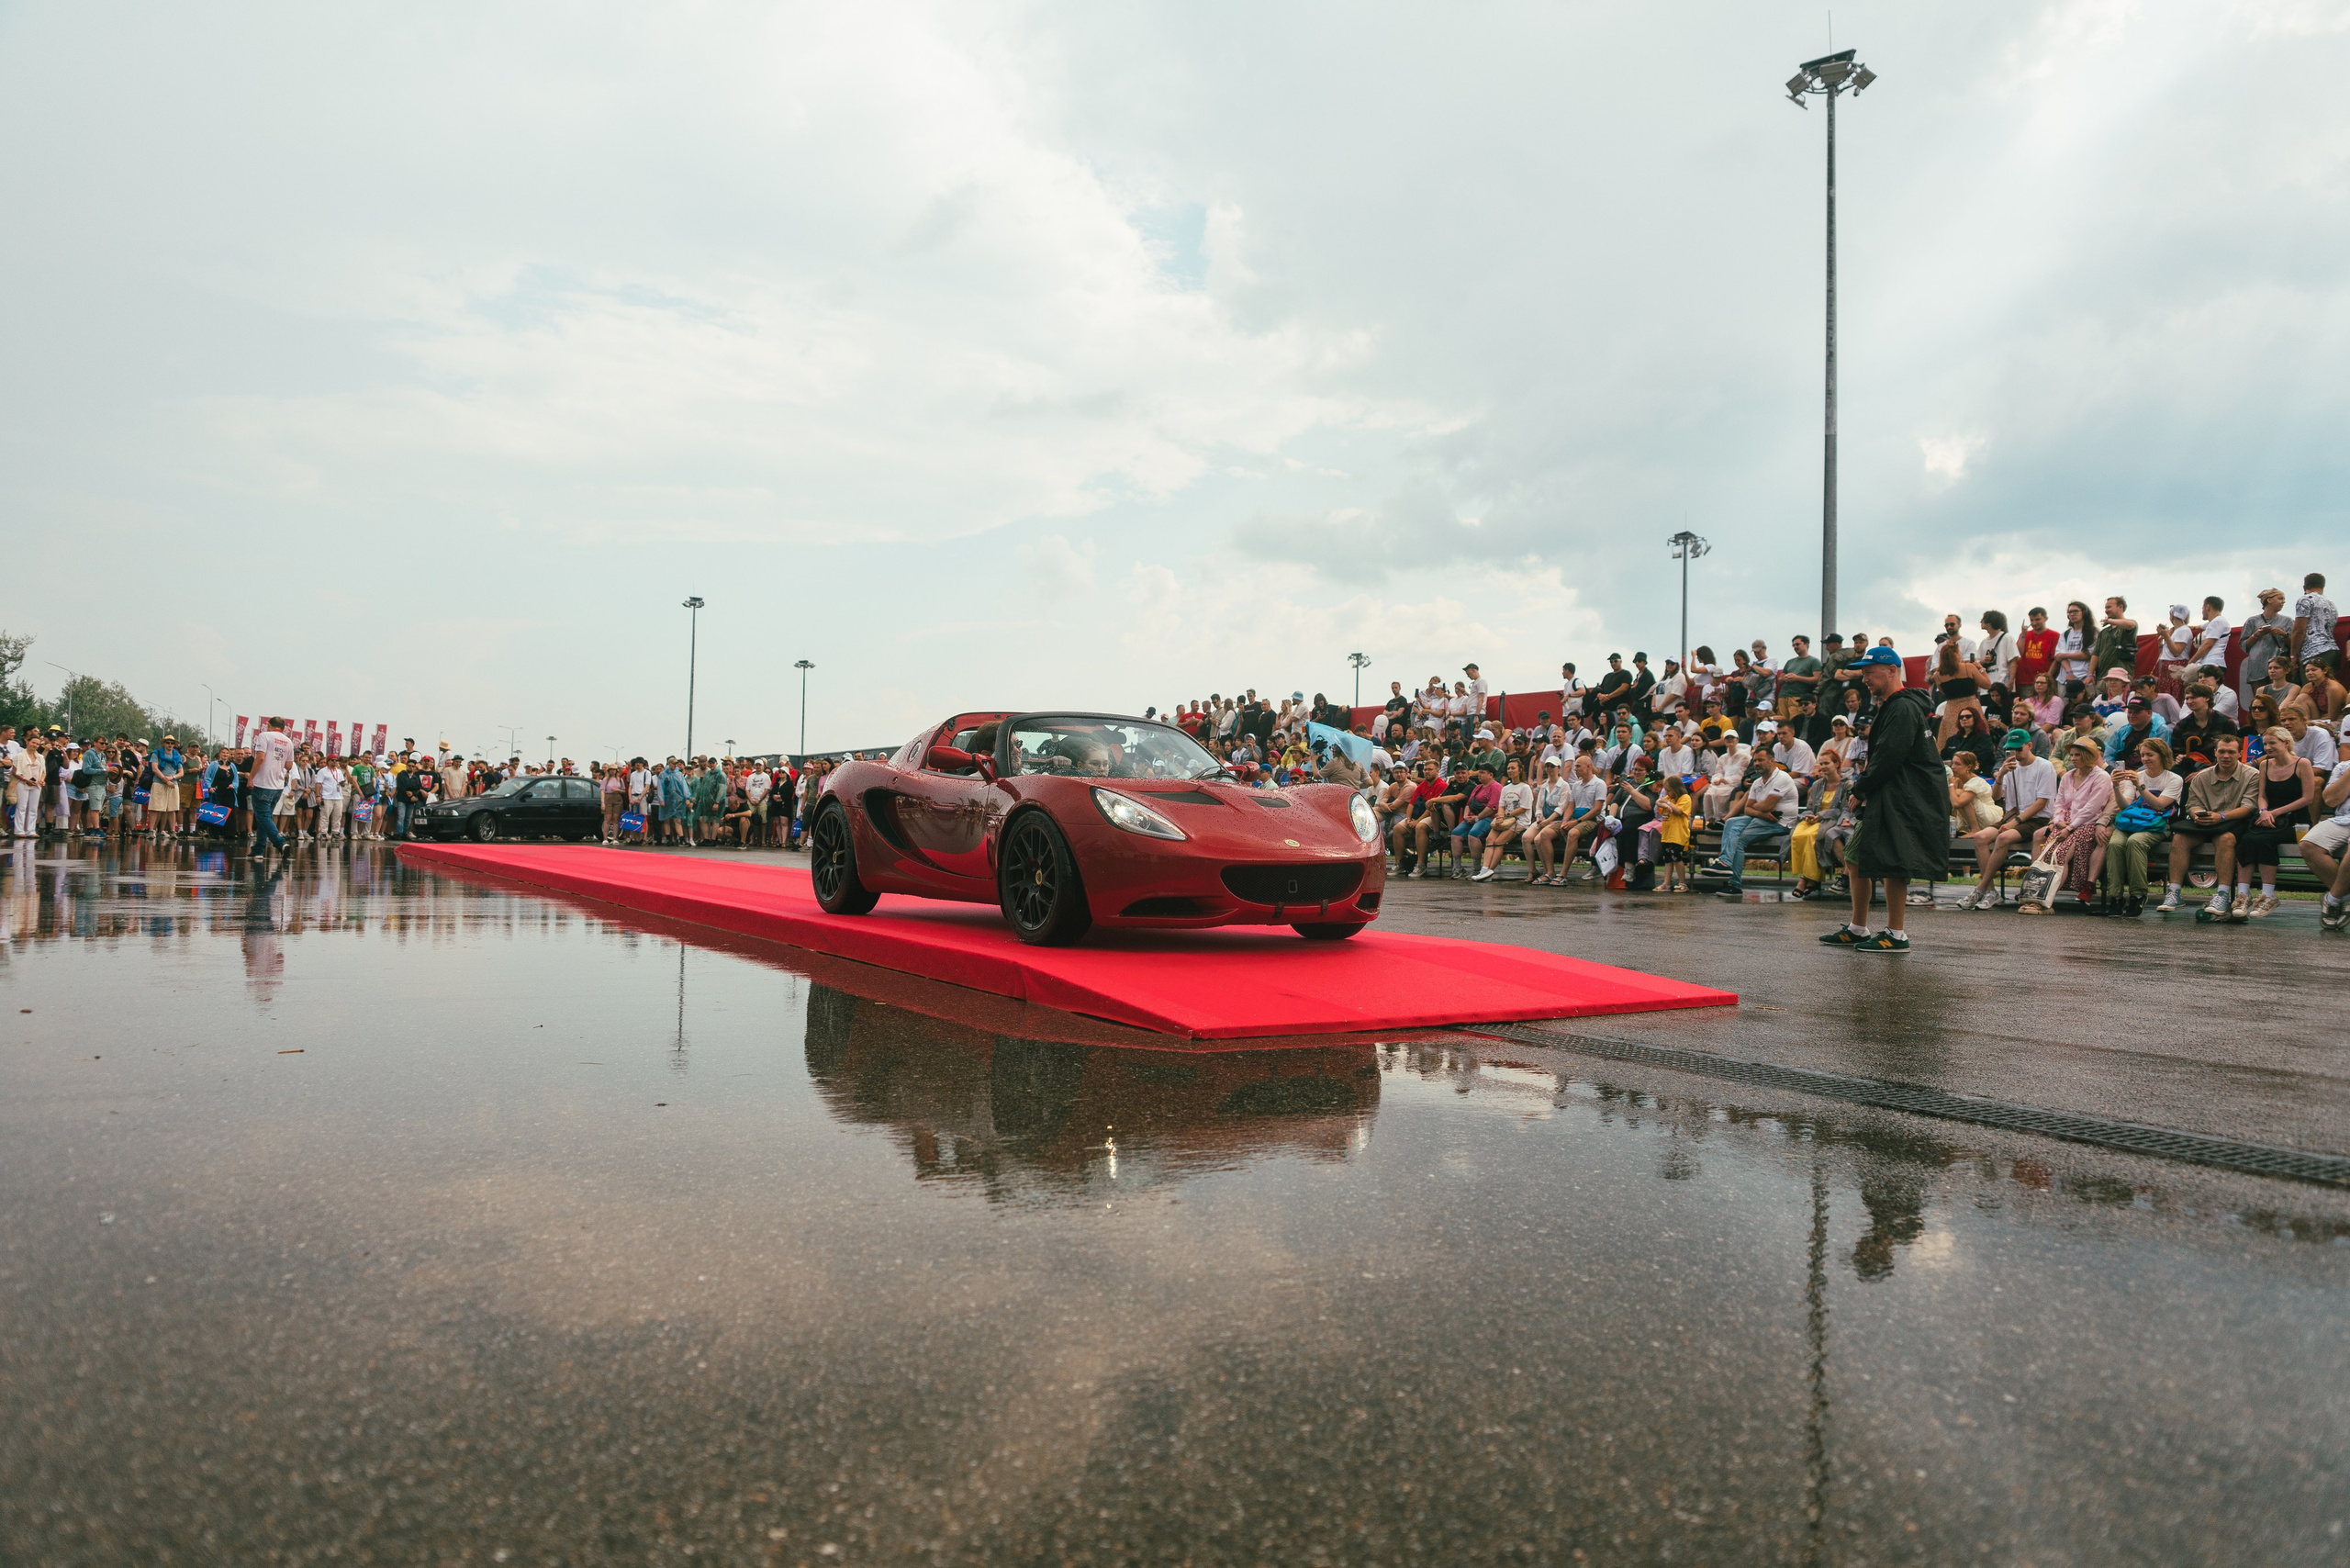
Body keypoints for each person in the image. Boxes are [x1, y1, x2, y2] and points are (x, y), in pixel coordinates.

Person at [1823, 647, 1948, 950]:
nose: (1864, 677)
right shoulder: (1895, 705)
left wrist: (1860, 789)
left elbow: (1890, 756)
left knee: (1895, 863)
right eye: (1862, 672)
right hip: (1894, 792)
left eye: (1870, 671)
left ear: (1892, 670)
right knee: (1853, 857)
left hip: (1907, 796)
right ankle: (1858, 927)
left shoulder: (1903, 707)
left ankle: (1896, 934)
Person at [2160, 734, 2259, 919]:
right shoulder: (2202, 776)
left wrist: (2221, 817)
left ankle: (2222, 895)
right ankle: (2174, 893)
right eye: (2221, 751)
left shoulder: (2252, 775)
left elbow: (2248, 807)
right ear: (2215, 753)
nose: (2226, 756)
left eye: (2231, 752)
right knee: (2180, 838)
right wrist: (2199, 814)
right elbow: (2192, 804)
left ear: (2240, 753)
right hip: (2206, 820)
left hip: (2234, 820)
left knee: (2225, 839)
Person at [2020, 735, 2113, 915]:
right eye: (2071, 755)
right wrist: (2059, 821)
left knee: (2060, 854)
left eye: (2077, 755)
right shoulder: (2068, 776)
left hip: (2088, 823)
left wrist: (2070, 828)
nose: (2073, 759)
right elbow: (2059, 803)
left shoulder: (2101, 777)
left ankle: (2045, 901)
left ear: (2088, 756)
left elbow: (2092, 809)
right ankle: (2034, 894)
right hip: (2065, 823)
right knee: (2047, 855)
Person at [2232, 726, 2318, 920]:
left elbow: (2308, 798)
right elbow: (2261, 795)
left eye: (2272, 743)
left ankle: (2268, 895)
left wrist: (2275, 812)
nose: (2268, 747)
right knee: (2246, 839)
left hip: (2295, 821)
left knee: (2264, 840)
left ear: (2286, 743)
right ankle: (2242, 894)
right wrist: (2264, 811)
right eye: (2265, 744)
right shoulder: (2265, 765)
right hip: (2268, 817)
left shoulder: (2302, 764)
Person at [2101, 737, 2181, 917]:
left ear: (2162, 756)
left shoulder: (2174, 779)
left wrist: (2140, 786)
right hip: (2132, 822)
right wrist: (2115, 786)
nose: (2145, 759)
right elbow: (2125, 807)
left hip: (2157, 825)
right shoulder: (2136, 775)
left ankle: (2138, 895)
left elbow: (2160, 805)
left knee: (2135, 842)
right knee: (2114, 844)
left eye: (2150, 755)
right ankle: (2116, 897)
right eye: (2142, 755)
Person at [1703, 745, 1796, 898]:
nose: (1757, 763)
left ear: (1772, 761)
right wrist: (1762, 811)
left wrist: (1759, 807)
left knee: (1739, 840)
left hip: (1781, 823)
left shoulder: (1782, 778)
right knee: (1731, 823)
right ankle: (1725, 862)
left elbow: (1767, 806)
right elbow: (1747, 809)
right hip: (1762, 818)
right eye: (1755, 761)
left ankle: (1735, 884)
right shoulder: (1758, 782)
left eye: (1761, 760)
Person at [247, 717, 297, 858]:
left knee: (262, 816)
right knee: (266, 817)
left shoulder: (264, 736)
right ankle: (259, 849)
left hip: (263, 783)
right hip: (278, 785)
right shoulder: (288, 741)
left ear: (269, 725)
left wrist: (251, 777)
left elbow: (260, 758)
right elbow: (289, 766)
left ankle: (280, 843)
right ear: (283, 728)